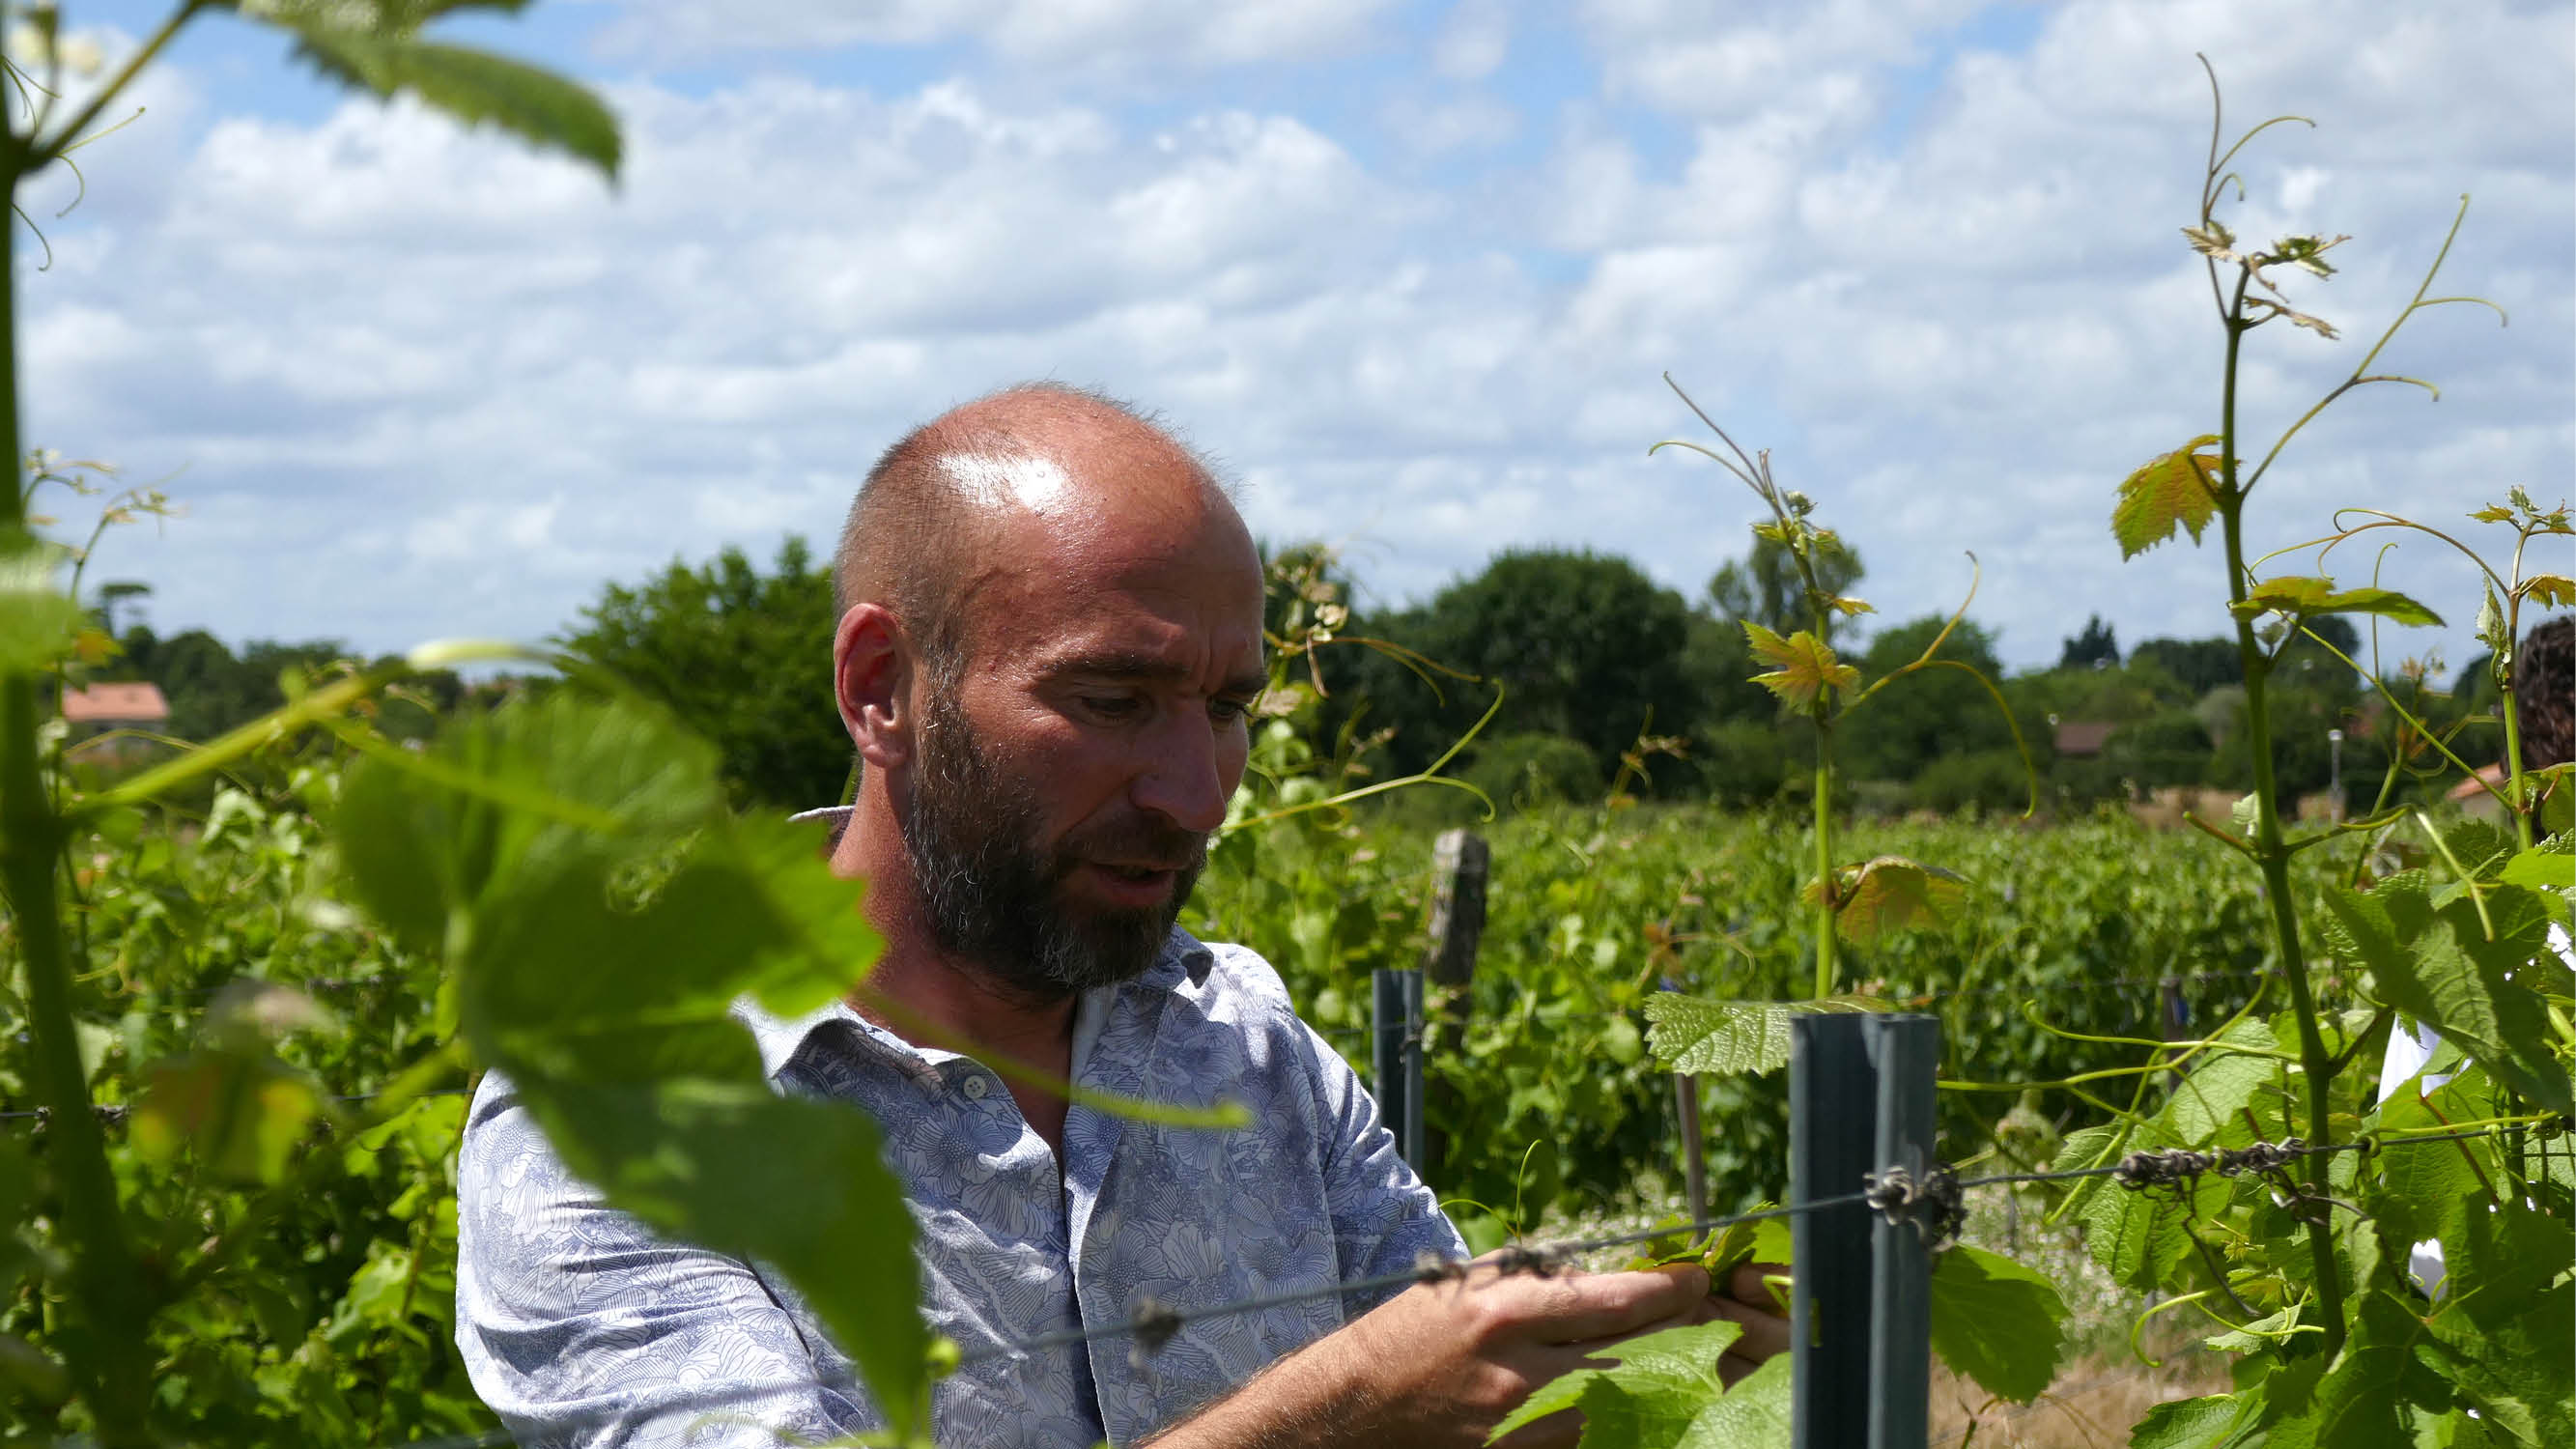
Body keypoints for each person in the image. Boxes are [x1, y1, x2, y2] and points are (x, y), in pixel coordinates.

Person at [454, 383, 1788, 1447]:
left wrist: (1653, 1376)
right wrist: (1331, 1423)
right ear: (882, 689)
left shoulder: (1250, 1047)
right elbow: (1377, 1406)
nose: (1197, 794)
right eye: (1112, 701)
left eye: (1227, 711)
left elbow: (1453, 1400)